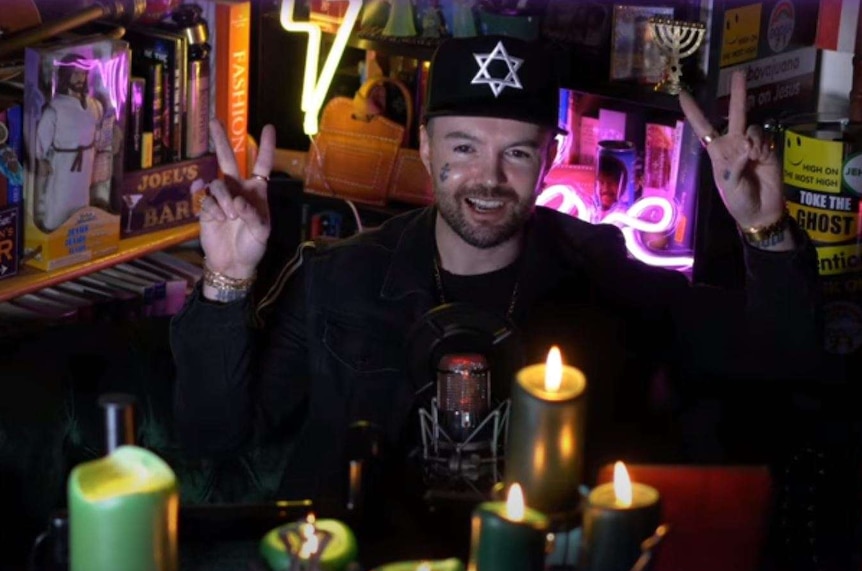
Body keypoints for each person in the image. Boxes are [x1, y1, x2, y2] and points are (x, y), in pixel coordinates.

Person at [171, 35, 821, 520]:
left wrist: (765, 230)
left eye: (515, 152)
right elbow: (213, 436)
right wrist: (226, 278)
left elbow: (783, 355)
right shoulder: (338, 278)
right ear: (425, 149)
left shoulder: (605, 275)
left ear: (549, 160)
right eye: (463, 148)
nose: (489, 178)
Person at [34, 53, 105, 232]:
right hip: (63, 165)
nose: (80, 78)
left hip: (86, 166)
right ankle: (54, 231)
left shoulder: (95, 106)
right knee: (59, 201)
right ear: (66, 75)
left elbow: (100, 134)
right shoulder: (55, 109)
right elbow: (41, 141)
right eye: (75, 73)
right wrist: (40, 159)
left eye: (83, 74)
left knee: (82, 204)